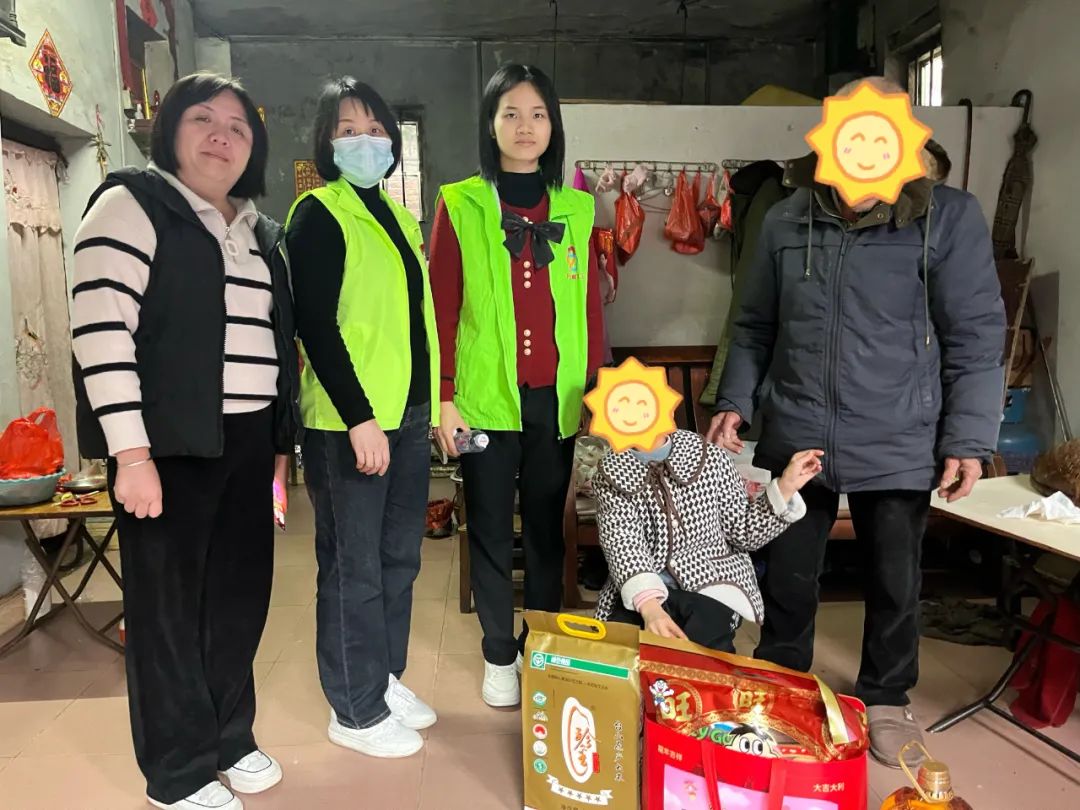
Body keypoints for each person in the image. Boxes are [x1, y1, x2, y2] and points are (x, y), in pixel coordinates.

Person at [706, 77, 1006, 767]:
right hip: (798, 426)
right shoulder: (786, 218)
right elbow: (752, 324)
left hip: (900, 432)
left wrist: (967, 438)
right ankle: (783, 679)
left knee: (895, 577)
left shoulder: (949, 219)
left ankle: (887, 697)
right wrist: (734, 400)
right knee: (787, 572)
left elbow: (975, 333)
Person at [71, 73, 299, 810]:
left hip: (247, 444)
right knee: (168, 613)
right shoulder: (132, 205)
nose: (221, 135)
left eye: (238, 126)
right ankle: (177, 772)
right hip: (166, 447)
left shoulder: (258, 232)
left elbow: (271, 345)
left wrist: (277, 448)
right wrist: (131, 455)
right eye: (203, 119)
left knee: (238, 598)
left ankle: (230, 737)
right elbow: (101, 332)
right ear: (169, 130)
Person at [429, 64, 604, 707]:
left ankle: (544, 645)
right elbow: (442, 306)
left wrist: (595, 388)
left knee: (548, 530)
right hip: (482, 403)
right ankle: (499, 654)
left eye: (537, 114)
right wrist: (444, 397)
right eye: (510, 113)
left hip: (555, 402)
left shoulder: (578, 208)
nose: (524, 126)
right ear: (490, 124)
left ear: (553, 126)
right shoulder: (460, 202)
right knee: (489, 529)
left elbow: (589, 307)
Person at [285, 77, 440, 759]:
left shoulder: (400, 218)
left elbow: (414, 322)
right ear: (326, 142)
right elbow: (316, 326)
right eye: (348, 130)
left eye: (375, 129)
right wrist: (359, 418)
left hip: (406, 415)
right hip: (352, 424)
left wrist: (432, 407)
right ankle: (353, 708)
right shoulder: (319, 213)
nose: (364, 141)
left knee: (399, 559)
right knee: (354, 568)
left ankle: (384, 677)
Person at [594, 428, 821, 651]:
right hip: (642, 584)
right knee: (619, 646)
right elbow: (623, 544)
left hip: (712, 583)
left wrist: (785, 487)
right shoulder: (611, 473)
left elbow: (744, 532)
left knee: (704, 647)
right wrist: (650, 608)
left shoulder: (709, 457)